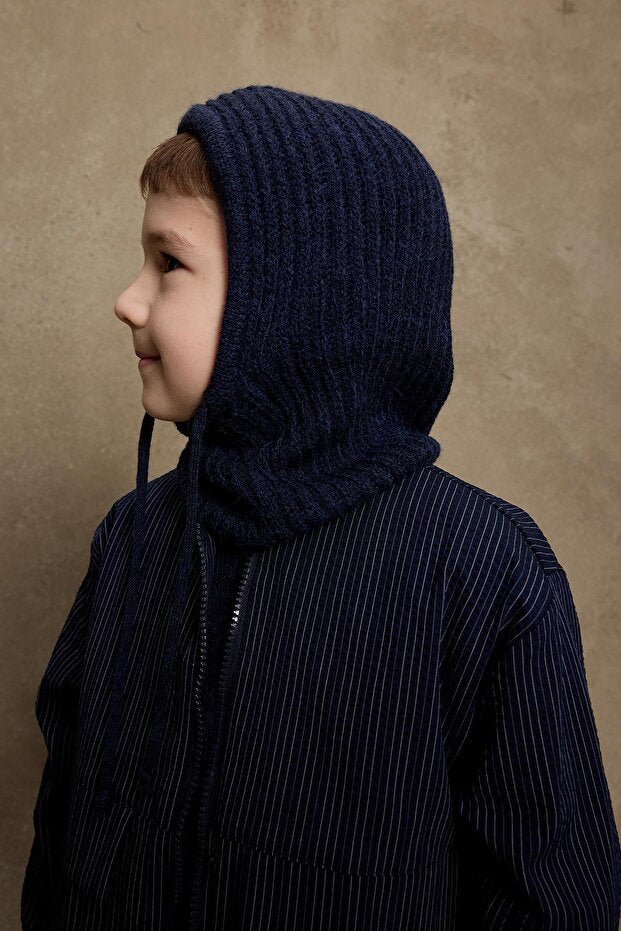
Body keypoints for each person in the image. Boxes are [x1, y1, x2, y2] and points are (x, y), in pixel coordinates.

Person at [21, 83, 621, 930]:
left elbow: (552, 899)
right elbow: (64, 832)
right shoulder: (135, 536)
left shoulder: (480, 570)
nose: (129, 298)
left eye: (169, 263)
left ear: (292, 299)